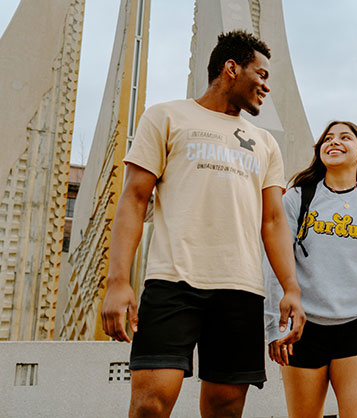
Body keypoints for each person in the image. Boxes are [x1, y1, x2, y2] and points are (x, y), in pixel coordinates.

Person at [100, 30, 306, 418]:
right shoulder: (166, 116)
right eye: (260, 74)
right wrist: (118, 281)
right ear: (231, 69)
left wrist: (291, 288)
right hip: (172, 281)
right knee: (150, 404)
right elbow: (134, 198)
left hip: (241, 288)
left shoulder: (264, 142)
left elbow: (274, 221)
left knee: (226, 409)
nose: (266, 86)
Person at [264, 121, 357, 418]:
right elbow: (274, 263)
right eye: (327, 138)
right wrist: (275, 326)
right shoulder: (297, 199)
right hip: (303, 330)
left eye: (344, 137)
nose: (334, 142)